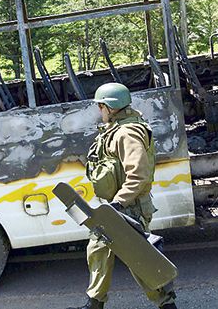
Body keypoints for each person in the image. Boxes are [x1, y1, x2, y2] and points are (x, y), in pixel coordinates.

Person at [68, 82, 177, 309]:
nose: (100, 111)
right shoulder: (117, 129)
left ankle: (167, 304)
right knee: (98, 250)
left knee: (140, 260)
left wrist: (119, 203)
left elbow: (139, 174)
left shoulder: (127, 133)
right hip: (116, 207)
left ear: (109, 107)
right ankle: (94, 303)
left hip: (130, 207)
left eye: (101, 107)